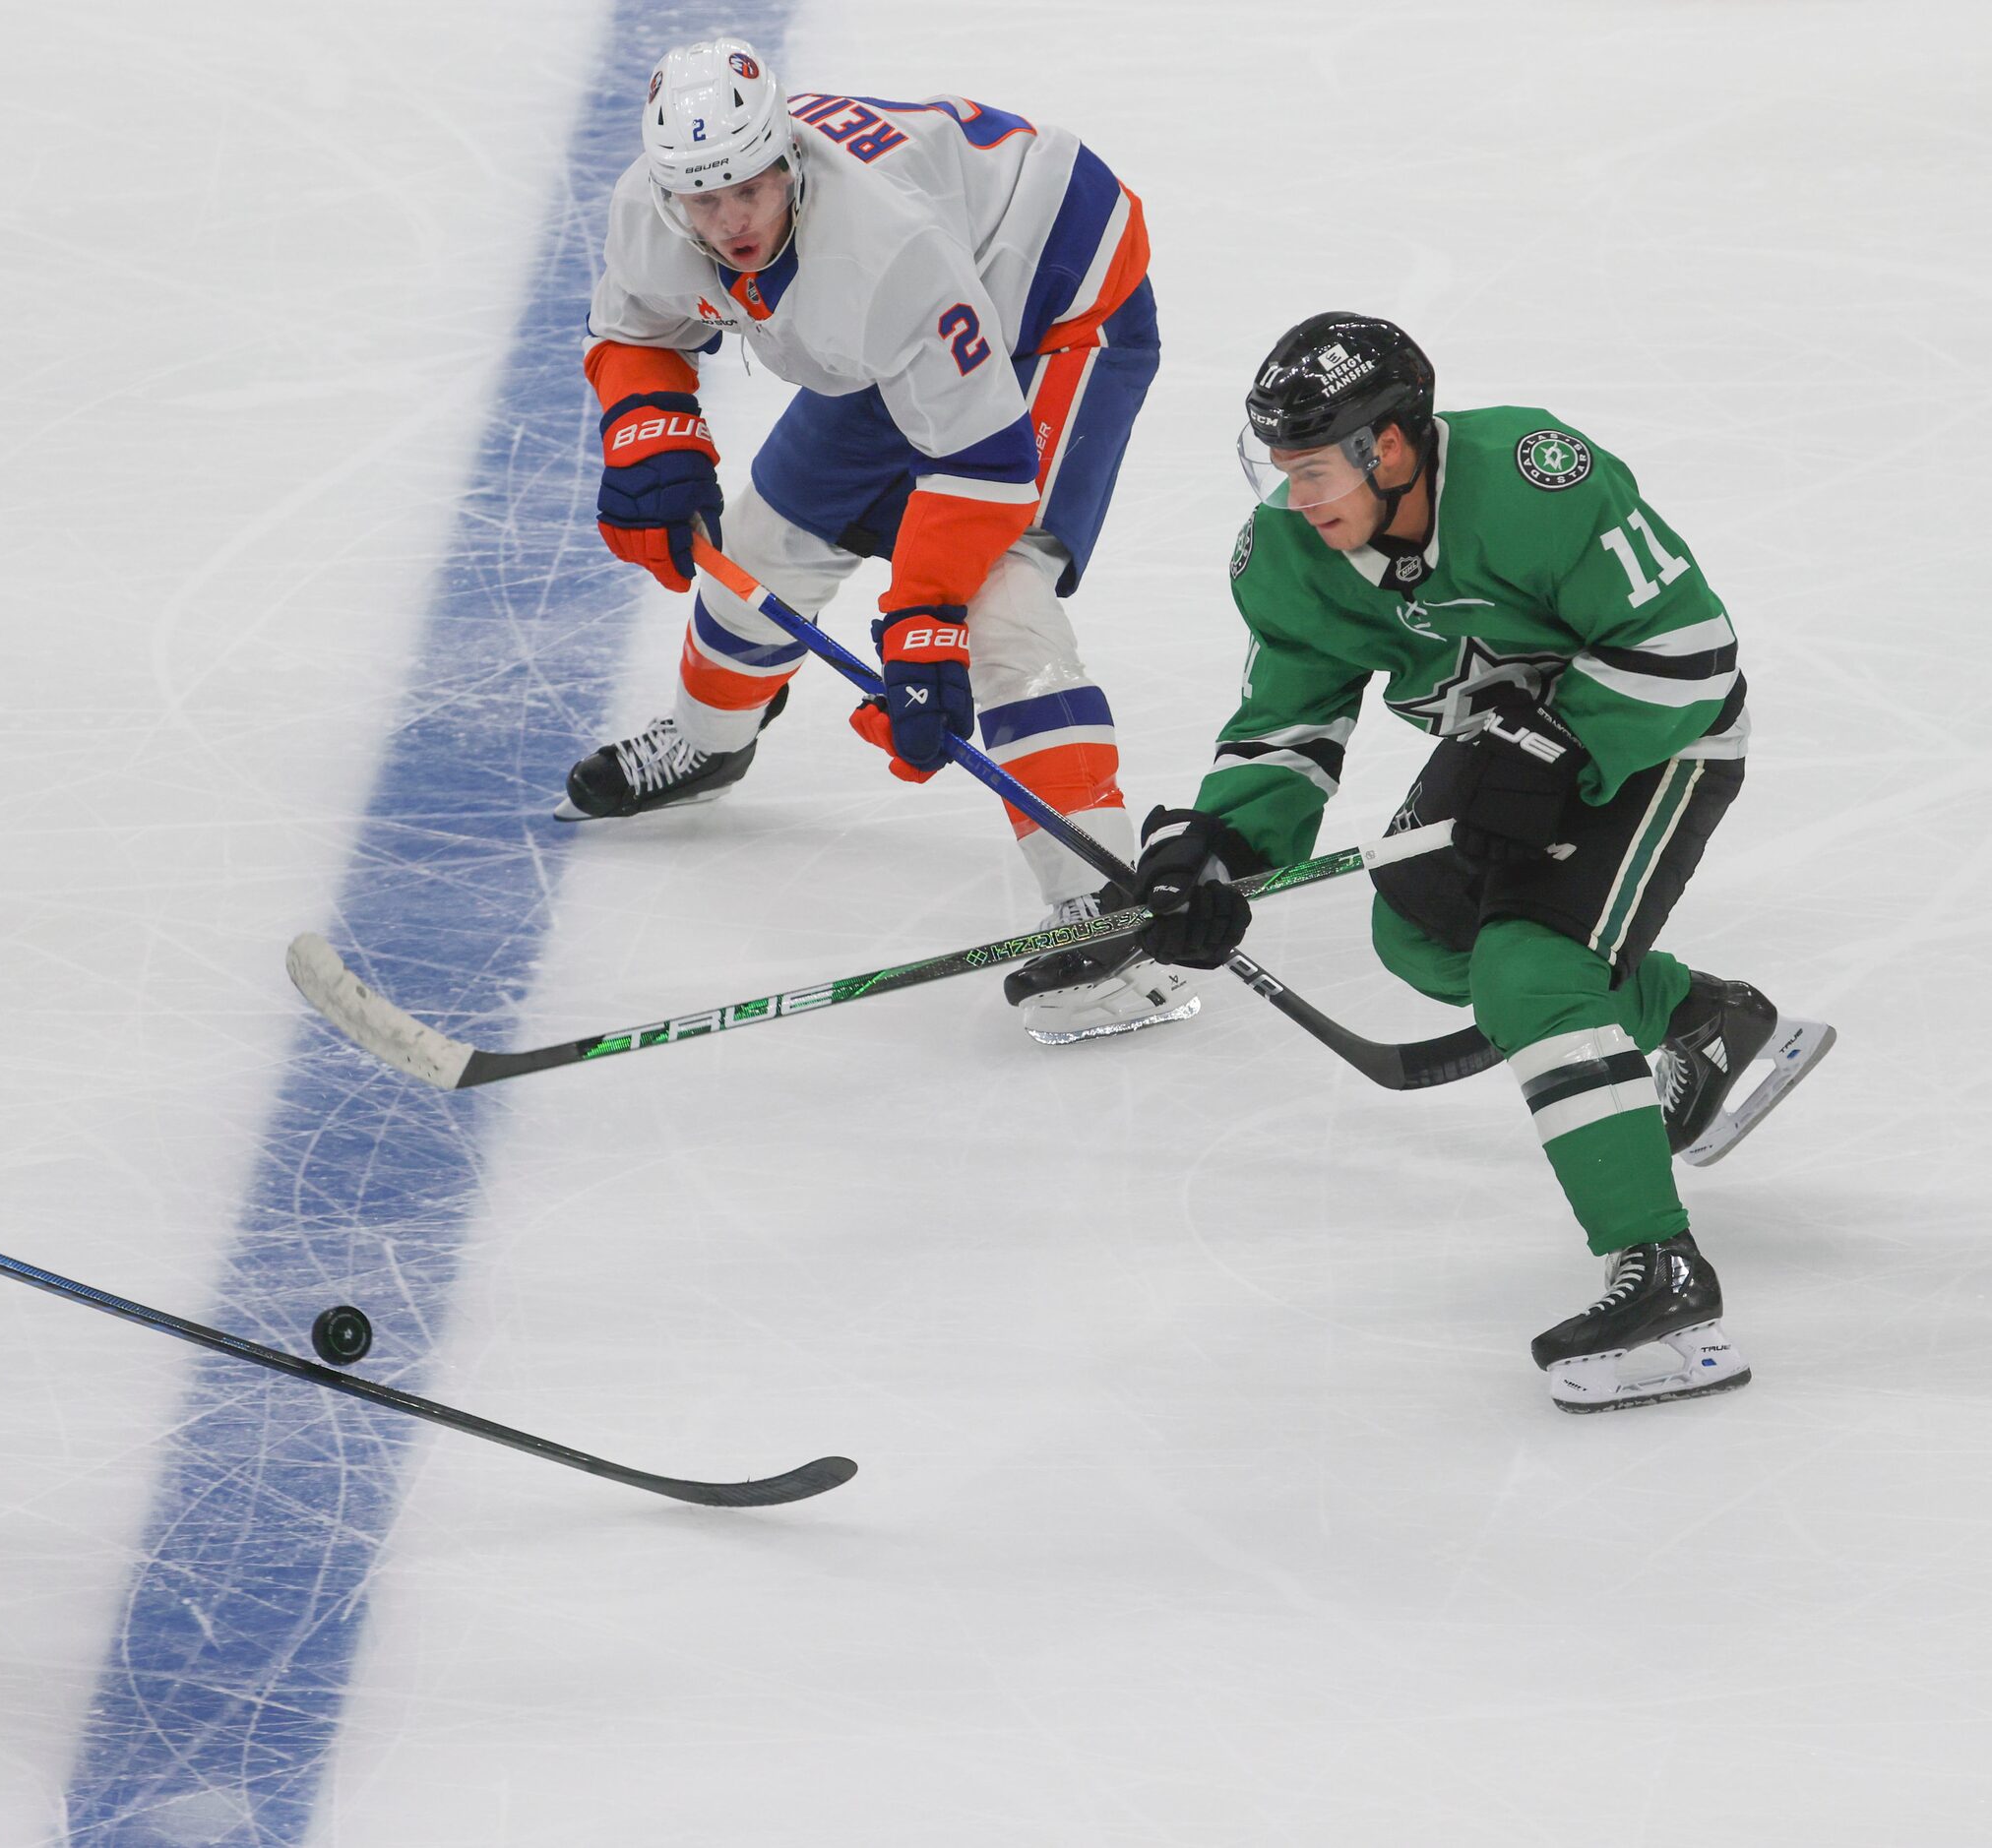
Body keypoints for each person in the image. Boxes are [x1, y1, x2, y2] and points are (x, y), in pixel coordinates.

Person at [1132, 312, 1834, 1414]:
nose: (1293, 495)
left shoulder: (1528, 476)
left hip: (1654, 735)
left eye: (1314, 467)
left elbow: (1687, 653)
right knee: (1416, 933)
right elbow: (1287, 725)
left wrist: (1560, 750)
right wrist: (1215, 846)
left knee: (1528, 973)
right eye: (1277, 468)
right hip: (1501, 750)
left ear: (1392, 446)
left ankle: (1666, 1287)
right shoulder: (1285, 554)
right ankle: (1704, 1019)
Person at [562, 37, 1192, 1045]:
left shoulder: (877, 244)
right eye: (702, 200)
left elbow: (980, 459)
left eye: (749, 188)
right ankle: (709, 745)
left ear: (787, 161)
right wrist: (648, 428)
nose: (729, 224)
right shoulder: (652, 211)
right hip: (908, 318)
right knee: (760, 552)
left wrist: (923, 618)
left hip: (1053, 293)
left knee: (999, 607)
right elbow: (632, 332)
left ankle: (1108, 909)